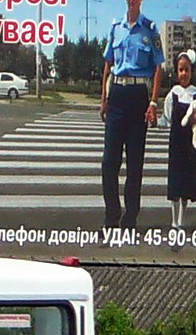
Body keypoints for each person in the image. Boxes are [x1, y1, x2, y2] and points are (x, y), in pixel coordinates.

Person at [100, 0, 164, 231]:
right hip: (117, 93)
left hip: (138, 96)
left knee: (134, 163)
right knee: (109, 162)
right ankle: (111, 215)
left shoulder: (150, 28)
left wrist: (154, 102)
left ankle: (130, 219)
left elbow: (158, 67)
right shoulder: (116, 26)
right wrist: (103, 99)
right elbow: (108, 63)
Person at [164, 51, 196, 250]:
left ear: (192, 71)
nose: (184, 73)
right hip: (176, 143)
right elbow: (166, 119)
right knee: (175, 184)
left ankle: (181, 222)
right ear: (177, 72)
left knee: (186, 185)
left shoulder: (195, 93)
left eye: (187, 70)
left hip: (190, 146)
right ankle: (173, 222)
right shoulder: (172, 94)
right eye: (180, 70)